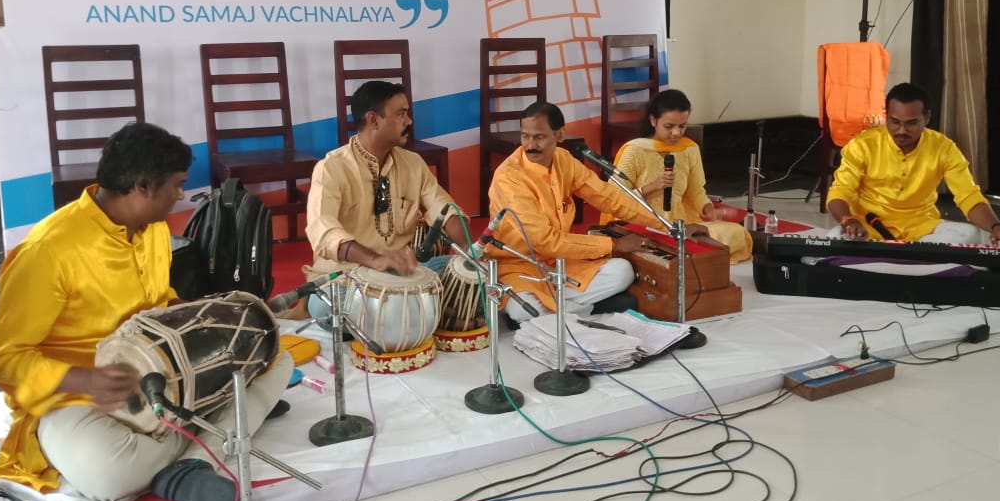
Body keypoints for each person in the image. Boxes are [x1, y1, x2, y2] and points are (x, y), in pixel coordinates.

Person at [0, 122, 293, 501]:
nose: (181, 196)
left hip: (164, 373)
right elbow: (2, 360)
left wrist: (205, 320)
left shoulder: (153, 230)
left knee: (275, 357)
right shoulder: (48, 251)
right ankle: (222, 429)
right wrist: (84, 379)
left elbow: (161, 302)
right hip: (80, 397)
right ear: (144, 186)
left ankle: (192, 460)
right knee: (108, 473)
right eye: (176, 185)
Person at [487, 101, 686, 324]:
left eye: (539, 137)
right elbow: (543, 241)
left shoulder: (563, 160)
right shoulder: (509, 178)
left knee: (622, 272)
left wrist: (665, 225)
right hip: (518, 267)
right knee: (524, 310)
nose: (530, 145)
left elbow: (607, 196)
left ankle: (559, 313)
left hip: (560, 263)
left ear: (559, 135)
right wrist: (614, 245)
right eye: (525, 136)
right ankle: (587, 310)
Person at [304, 81, 473, 324]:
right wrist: (376, 260)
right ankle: (426, 312)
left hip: (401, 273)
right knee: (325, 307)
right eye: (401, 114)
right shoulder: (331, 168)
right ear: (373, 120)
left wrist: (469, 249)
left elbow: (444, 210)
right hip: (346, 278)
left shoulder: (413, 164)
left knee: (461, 269)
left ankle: (408, 314)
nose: (409, 121)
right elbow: (324, 232)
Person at [827, 82, 1000, 247]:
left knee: (971, 235)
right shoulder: (863, 145)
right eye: (894, 122)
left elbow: (968, 196)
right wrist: (849, 220)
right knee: (834, 238)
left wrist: (996, 226)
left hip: (921, 229)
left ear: (927, 118)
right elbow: (839, 192)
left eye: (911, 123)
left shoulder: (943, 148)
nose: (901, 130)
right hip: (867, 227)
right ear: (886, 116)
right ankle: (915, 262)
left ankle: (899, 259)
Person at [605, 89, 753, 263]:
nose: (676, 133)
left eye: (682, 126)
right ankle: (687, 249)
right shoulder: (635, 151)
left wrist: (708, 209)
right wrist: (654, 186)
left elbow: (696, 191)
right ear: (653, 121)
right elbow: (614, 197)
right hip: (643, 226)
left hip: (681, 226)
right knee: (696, 244)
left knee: (737, 233)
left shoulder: (689, 149)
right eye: (669, 126)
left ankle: (686, 247)